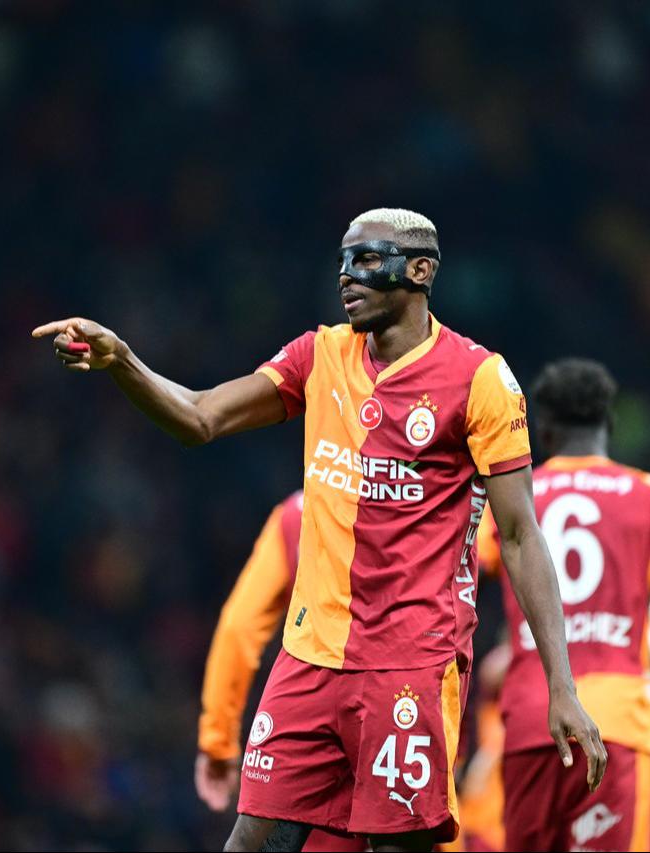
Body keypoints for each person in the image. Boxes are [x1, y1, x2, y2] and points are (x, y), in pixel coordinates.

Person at [34, 208, 606, 852]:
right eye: (342, 261)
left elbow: (523, 536)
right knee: (253, 840)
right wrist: (123, 361)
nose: (346, 276)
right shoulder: (319, 355)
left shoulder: (479, 380)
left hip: (410, 662)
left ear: (420, 271)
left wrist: (562, 683)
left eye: (366, 260)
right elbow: (200, 417)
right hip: (308, 659)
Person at [476, 358, 650, 851]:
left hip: (530, 719)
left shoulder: (513, 499)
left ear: (545, 431)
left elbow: (458, 577)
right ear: (609, 424)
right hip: (616, 722)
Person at [196, 490, 363, 852]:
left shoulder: (294, 516)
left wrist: (218, 741)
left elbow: (237, 630)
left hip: (307, 722)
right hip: (391, 718)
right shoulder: (417, 502)